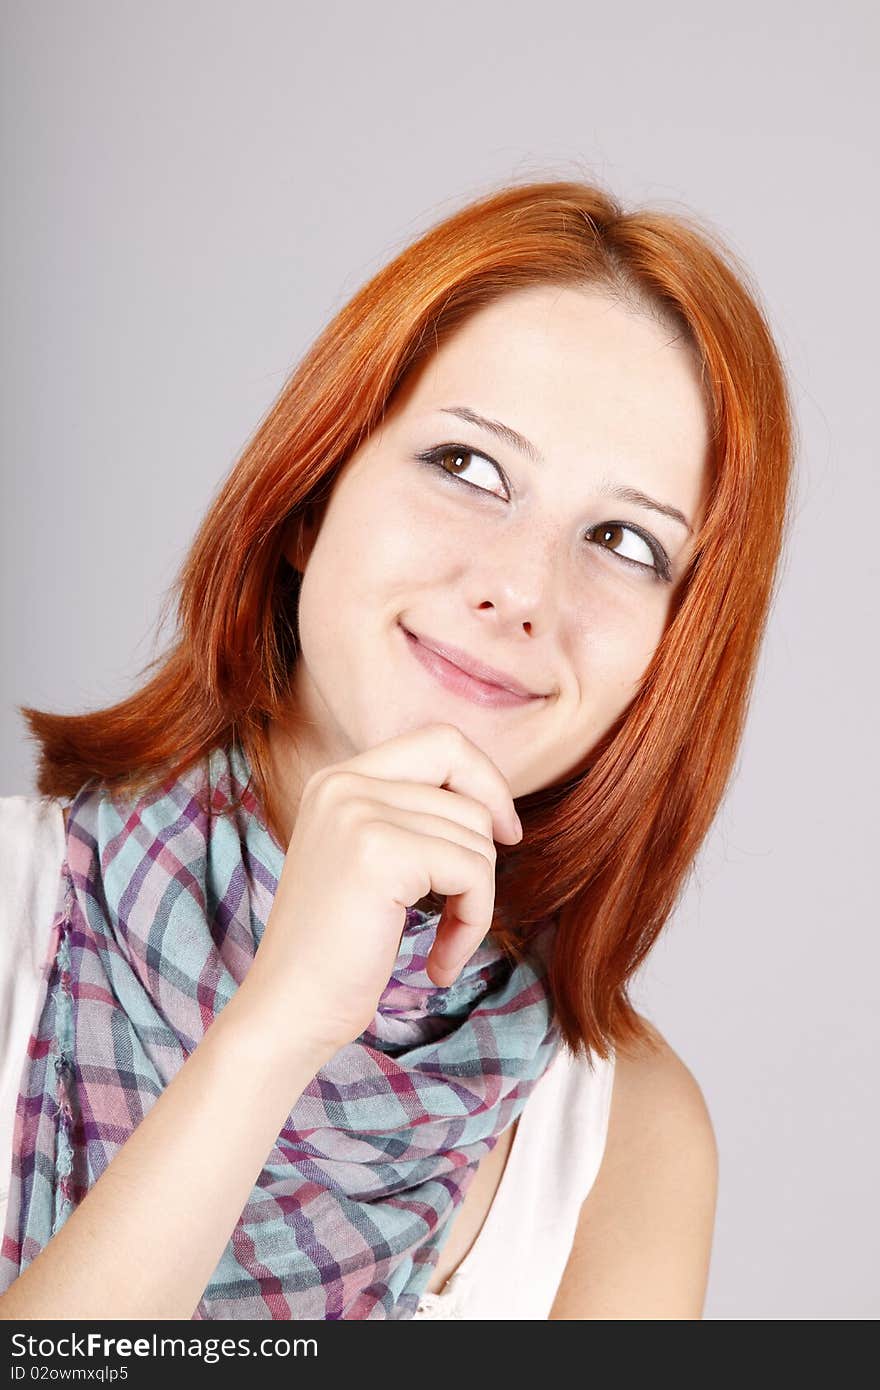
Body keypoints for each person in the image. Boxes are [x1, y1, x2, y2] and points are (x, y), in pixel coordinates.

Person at [0, 178, 794, 1320]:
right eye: (468, 467)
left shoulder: (627, 1142)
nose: (521, 591)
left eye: (622, 540)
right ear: (312, 495)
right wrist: (275, 1029)